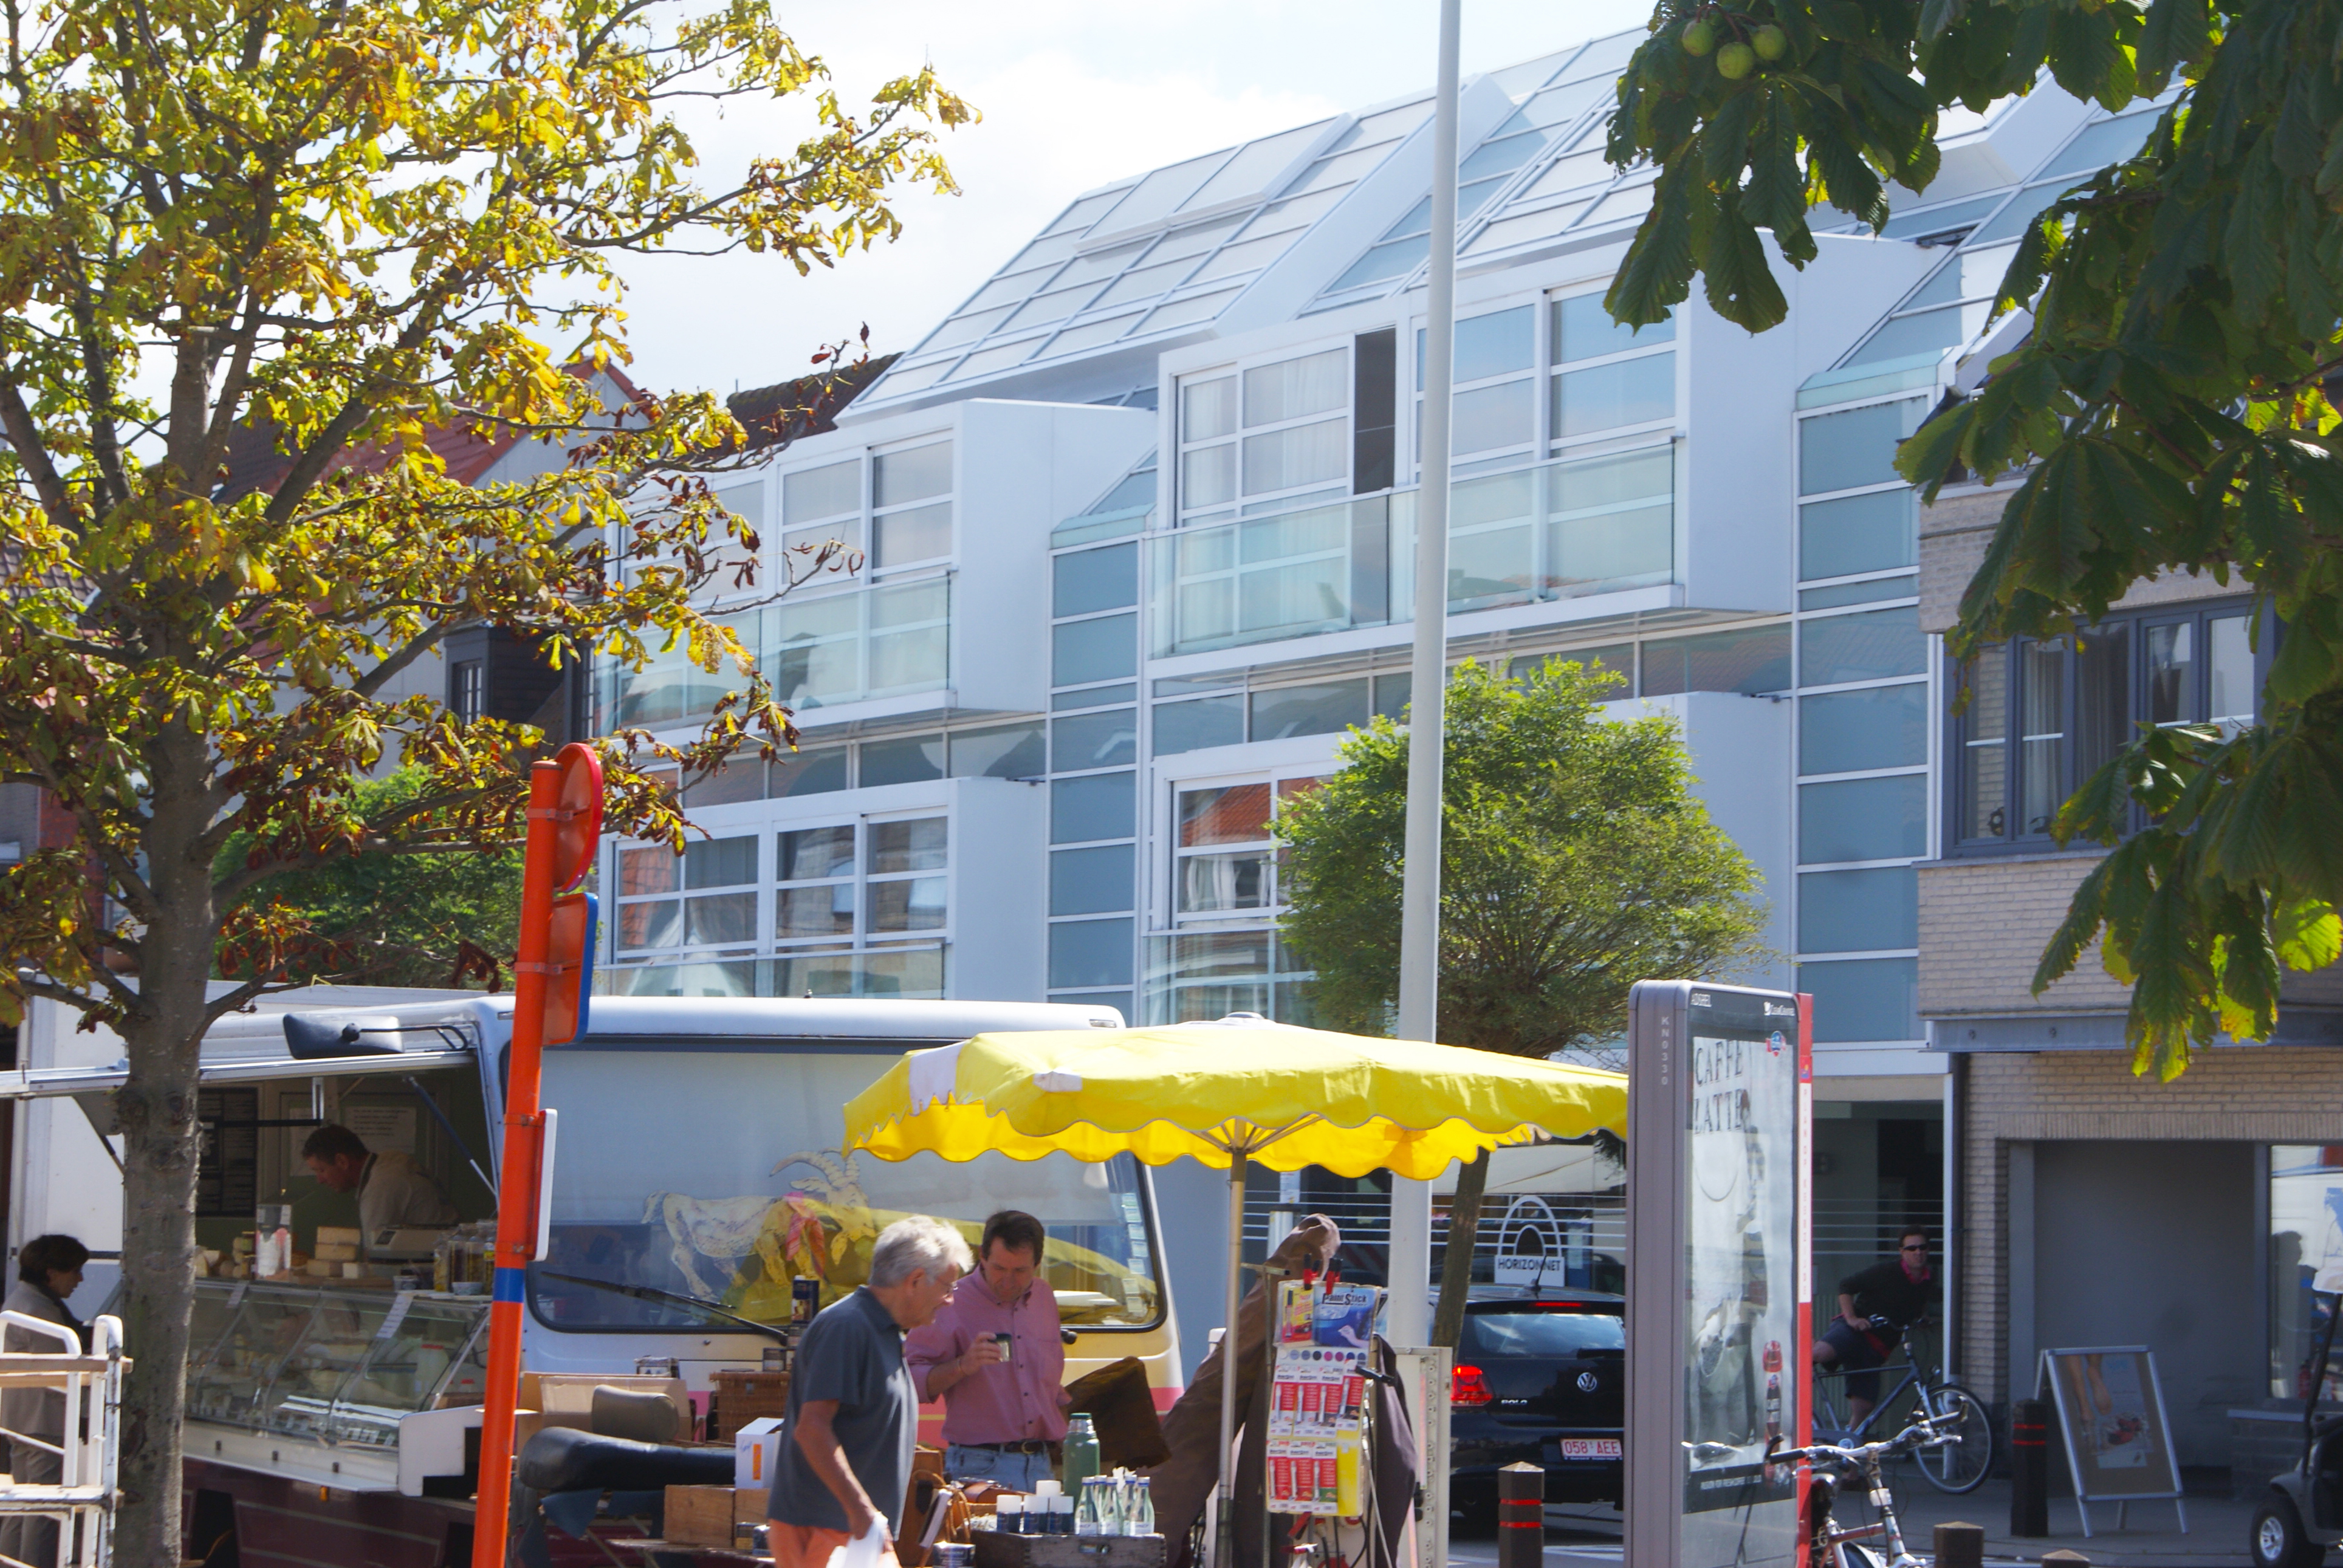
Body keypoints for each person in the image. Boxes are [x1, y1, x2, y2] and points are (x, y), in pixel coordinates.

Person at [767, 1216, 972, 1568]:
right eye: (948, 1287)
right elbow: (812, 1429)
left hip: (854, 1533)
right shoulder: (847, 1327)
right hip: (830, 1533)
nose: (950, 1300)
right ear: (916, 1280)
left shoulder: (884, 1330)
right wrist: (862, 1514)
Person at [905, 1210, 1070, 1491]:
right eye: (999, 1269)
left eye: (1020, 1271)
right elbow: (909, 1379)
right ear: (982, 1257)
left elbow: (1052, 1387)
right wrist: (962, 1366)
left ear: (1038, 1264)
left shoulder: (1044, 1297)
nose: (1008, 1280)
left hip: (1042, 1465)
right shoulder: (949, 1300)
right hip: (979, 1466)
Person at [1, 1234, 89, 1566]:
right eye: (75, 1271)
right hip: (45, 1421)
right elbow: (61, 1370)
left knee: (21, 1508)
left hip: (19, 1419)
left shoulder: (22, 1299)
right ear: (52, 1273)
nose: (80, 1280)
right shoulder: (40, 1309)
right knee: (43, 1511)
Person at [1812, 1227, 1939, 1425]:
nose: (1918, 1253)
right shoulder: (1887, 1271)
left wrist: (1921, 1318)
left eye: (1922, 1248)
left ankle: (1847, 1447)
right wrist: (1852, 1318)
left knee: (1864, 1407)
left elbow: (1914, 1302)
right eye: (1912, 1248)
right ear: (1901, 1251)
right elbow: (1846, 1287)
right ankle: (1790, 1375)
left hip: (1877, 1348)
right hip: (1855, 1330)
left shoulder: (1927, 1280)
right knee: (1820, 1354)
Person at [301, 1123, 456, 1243]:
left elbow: (375, 1255)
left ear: (342, 1161)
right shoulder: (389, 1160)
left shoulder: (382, 1185)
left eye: (321, 1170)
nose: (319, 1180)